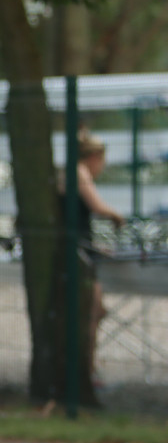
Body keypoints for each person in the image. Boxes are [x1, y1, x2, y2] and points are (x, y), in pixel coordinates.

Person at [74, 130, 125, 368]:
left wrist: (96, 246)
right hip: (77, 255)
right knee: (92, 313)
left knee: (96, 311)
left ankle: (87, 367)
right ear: (95, 156)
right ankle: (86, 368)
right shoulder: (79, 173)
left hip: (82, 249)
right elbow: (96, 207)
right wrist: (116, 216)